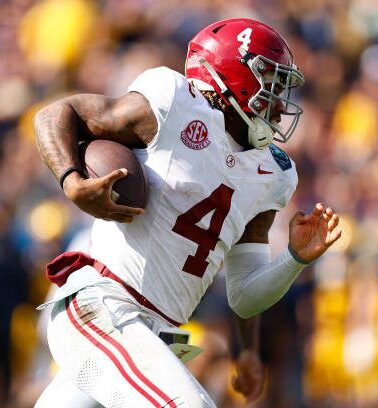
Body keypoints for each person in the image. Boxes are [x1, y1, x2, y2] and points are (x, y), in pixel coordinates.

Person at [33, 18, 341, 408]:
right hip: (104, 306)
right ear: (235, 73)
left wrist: (294, 260)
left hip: (154, 332)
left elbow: (244, 294)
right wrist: (72, 181)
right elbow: (56, 114)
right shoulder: (173, 102)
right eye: (272, 82)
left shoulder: (273, 174)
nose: (281, 102)